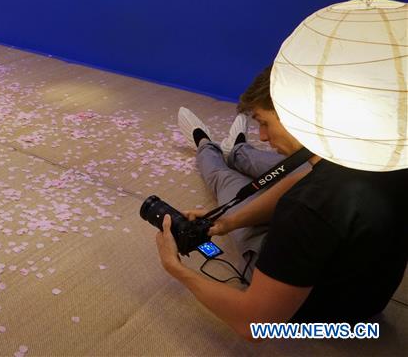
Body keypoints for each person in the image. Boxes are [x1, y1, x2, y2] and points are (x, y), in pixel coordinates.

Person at [155, 66, 408, 340]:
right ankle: (238, 148)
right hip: (367, 302)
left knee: (224, 179)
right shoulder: (382, 152)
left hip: (313, 315)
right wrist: (228, 222)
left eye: (264, 122)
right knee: (286, 166)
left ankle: (204, 143)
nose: (263, 136)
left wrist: (175, 268)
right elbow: (305, 179)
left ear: (295, 114)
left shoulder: (303, 208)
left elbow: (253, 324)